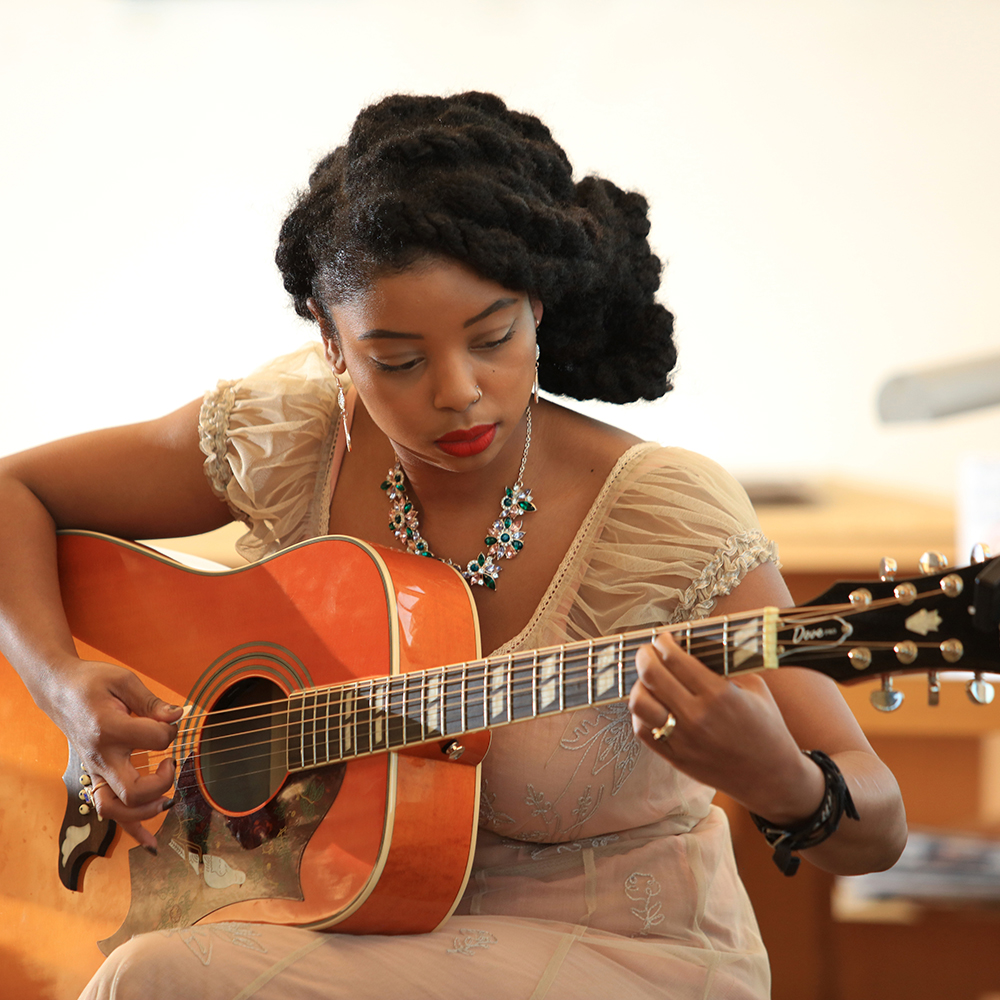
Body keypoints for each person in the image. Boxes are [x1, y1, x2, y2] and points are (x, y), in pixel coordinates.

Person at [0, 91, 906, 999]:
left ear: (538, 306)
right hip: (331, 924)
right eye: (397, 359)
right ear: (330, 340)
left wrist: (786, 782)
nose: (460, 391)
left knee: (155, 983)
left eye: (494, 336)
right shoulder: (294, 439)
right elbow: (14, 492)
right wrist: (59, 685)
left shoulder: (664, 516)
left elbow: (880, 825)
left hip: (622, 952)